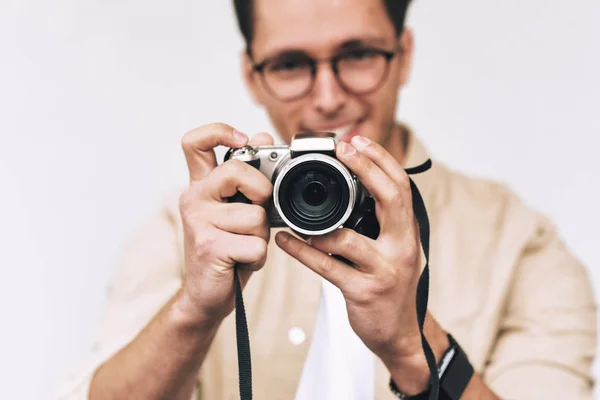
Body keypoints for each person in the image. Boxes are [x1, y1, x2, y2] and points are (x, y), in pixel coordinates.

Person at [56, 0, 597, 399]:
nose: (329, 96)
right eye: (291, 65)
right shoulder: (188, 233)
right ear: (252, 75)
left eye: (357, 55)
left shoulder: (517, 241)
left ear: (403, 56)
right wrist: (194, 312)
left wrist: (413, 346)